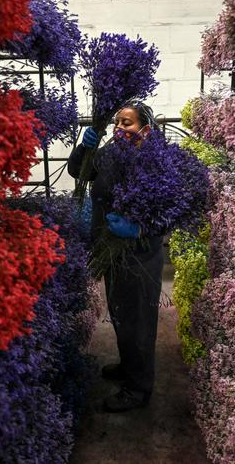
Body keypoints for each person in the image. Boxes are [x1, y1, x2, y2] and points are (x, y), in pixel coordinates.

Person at [68, 101, 164, 413]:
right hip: (110, 251)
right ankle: (128, 366)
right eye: (117, 123)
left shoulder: (156, 161)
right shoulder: (109, 153)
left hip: (138, 254)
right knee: (121, 312)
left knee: (138, 321)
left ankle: (138, 389)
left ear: (145, 129)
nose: (120, 129)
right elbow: (78, 170)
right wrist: (84, 148)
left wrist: (138, 230)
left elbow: (171, 210)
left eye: (128, 123)